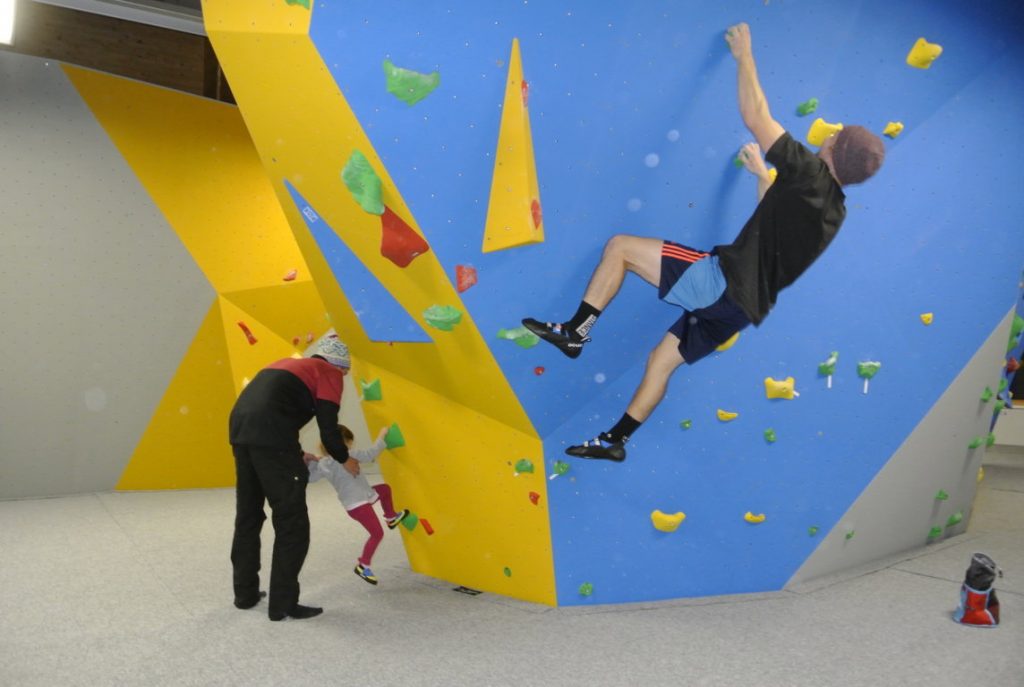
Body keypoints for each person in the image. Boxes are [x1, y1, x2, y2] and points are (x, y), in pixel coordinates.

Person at [522, 22, 885, 462]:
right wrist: (761, 177)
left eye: (836, 135)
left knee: (620, 247)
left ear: (835, 146)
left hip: (720, 282)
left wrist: (745, 55)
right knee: (662, 361)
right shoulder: (834, 209)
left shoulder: (809, 173)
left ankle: (576, 331)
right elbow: (775, 222)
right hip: (740, 311)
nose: (829, 134)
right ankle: (615, 441)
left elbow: (756, 117)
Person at [228, 335, 359, 621]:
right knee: (292, 524)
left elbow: (273, 408)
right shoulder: (331, 373)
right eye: (346, 371)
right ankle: (283, 605)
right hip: (272, 438)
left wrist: (296, 453)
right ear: (339, 365)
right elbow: (329, 429)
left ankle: (245, 594)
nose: (345, 377)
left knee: (248, 516)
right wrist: (344, 458)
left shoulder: (289, 364)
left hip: (241, 432)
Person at [305, 425, 409, 586]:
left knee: (384, 489)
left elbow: (311, 478)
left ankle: (391, 517)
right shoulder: (348, 454)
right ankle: (363, 565)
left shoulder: (324, 463)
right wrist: (382, 435)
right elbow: (369, 454)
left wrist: (311, 462)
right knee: (377, 534)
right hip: (359, 504)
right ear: (343, 443)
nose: (350, 447)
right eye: (349, 443)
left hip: (358, 501)